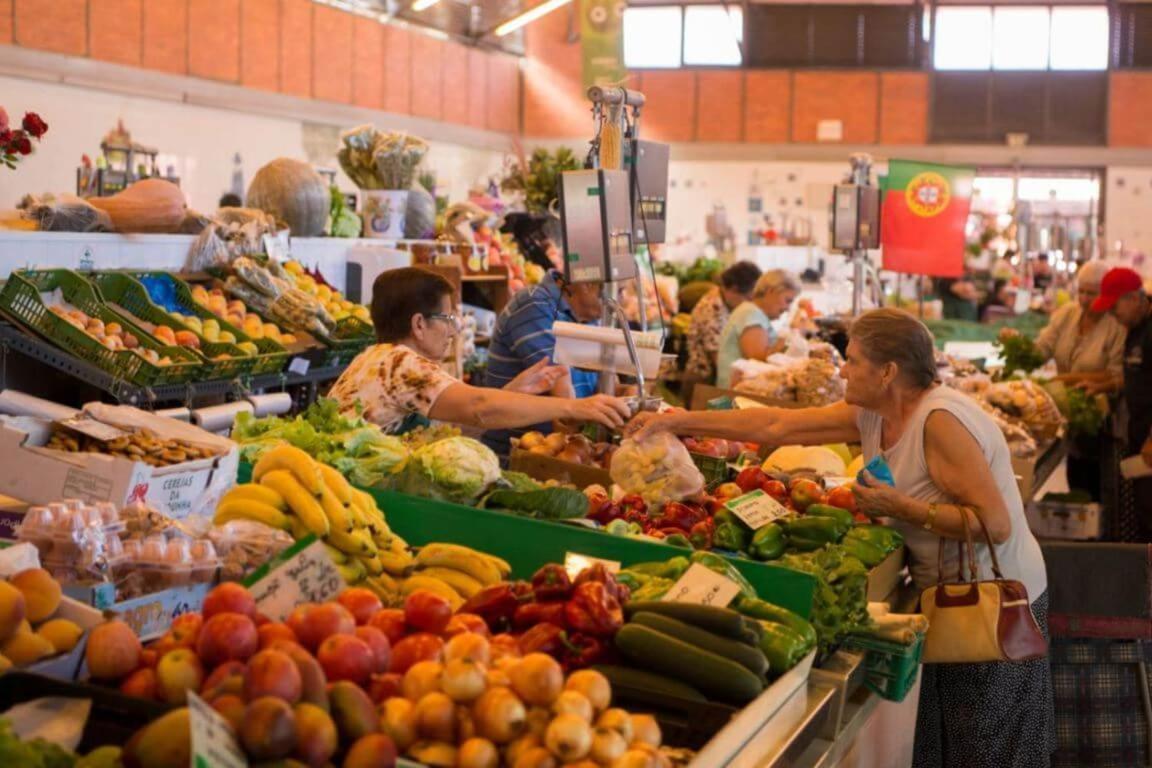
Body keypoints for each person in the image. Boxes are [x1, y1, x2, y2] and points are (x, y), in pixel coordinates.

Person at [628, 308, 1053, 768]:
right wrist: (679, 421)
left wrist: (901, 508)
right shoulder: (874, 413)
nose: (842, 369)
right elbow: (777, 426)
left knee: (990, 750)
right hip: (949, 600)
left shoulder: (940, 422)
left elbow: (996, 523)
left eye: (851, 360)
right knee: (951, 744)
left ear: (888, 372)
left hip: (997, 604)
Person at [329, 267, 630, 436]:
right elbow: (479, 407)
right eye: (447, 319)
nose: (454, 329)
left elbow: (454, 426)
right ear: (418, 324)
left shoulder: (373, 358)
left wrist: (514, 389)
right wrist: (574, 407)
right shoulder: (401, 363)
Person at [1000, 260, 1125, 498]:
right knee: (1076, 471)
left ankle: (1099, 526)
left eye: (1092, 293)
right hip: (1067, 412)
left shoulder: (1115, 324)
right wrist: (1016, 344)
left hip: (1102, 416)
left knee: (1099, 478)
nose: (1085, 299)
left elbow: (1115, 373)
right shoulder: (1067, 314)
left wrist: (1064, 378)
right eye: (1081, 292)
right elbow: (1041, 350)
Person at [478, 270, 606, 456]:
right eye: (617, 292)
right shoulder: (535, 304)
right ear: (587, 286)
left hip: (564, 454)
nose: (621, 300)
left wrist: (626, 394)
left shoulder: (589, 318)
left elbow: (600, 384)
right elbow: (563, 394)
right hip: (518, 457)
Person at [1093, 267, 1152, 536]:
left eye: (1114, 306)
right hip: (1140, 443)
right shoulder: (1134, 329)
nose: (1112, 314)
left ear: (1134, 298)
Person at [714, 269, 800, 388]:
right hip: (734, 394)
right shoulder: (751, 314)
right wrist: (789, 335)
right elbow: (757, 360)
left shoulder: (754, 313)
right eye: (788, 300)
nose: (788, 308)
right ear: (772, 291)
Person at [684, 262, 762, 385]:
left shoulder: (722, 297)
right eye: (748, 298)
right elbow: (720, 360)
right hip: (704, 381)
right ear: (734, 289)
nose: (749, 304)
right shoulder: (712, 310)